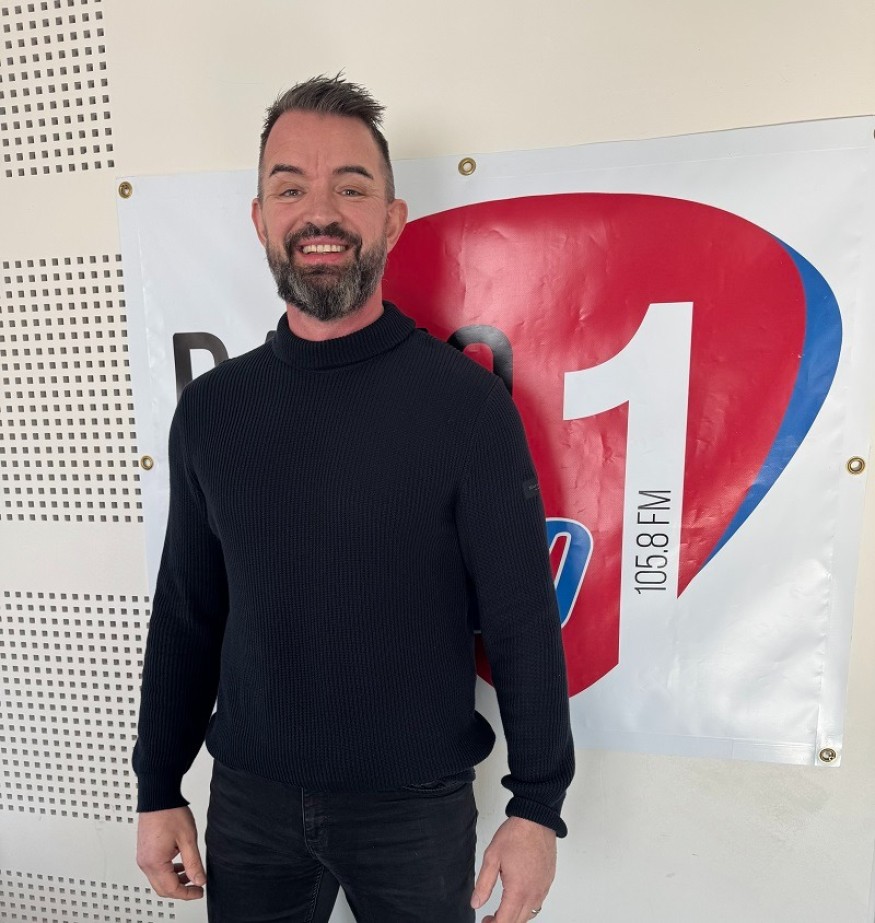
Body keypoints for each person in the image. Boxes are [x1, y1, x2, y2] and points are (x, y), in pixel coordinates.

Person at [133, 74, 574, 923]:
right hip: (249, 803)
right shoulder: (214, 411)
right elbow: (187, 610)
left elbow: (520, 614)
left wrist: (536, 805)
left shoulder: (465, 405)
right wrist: (158, 784)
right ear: (260, 220)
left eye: (350, 186)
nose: (320, 213)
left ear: (392, 219)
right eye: (289, 188)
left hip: (415, 809)